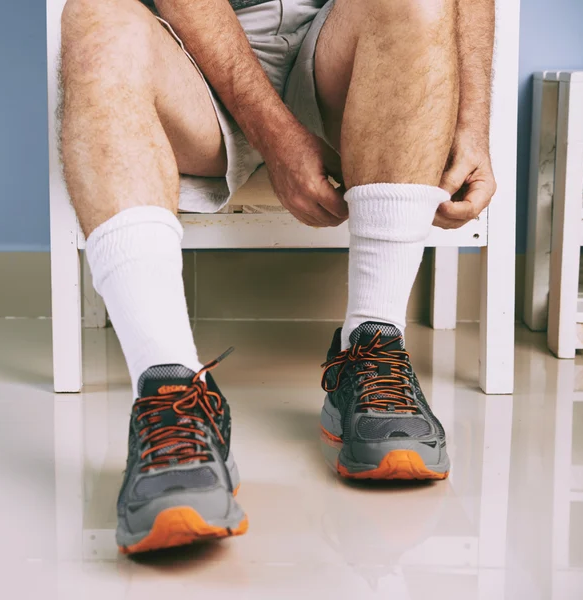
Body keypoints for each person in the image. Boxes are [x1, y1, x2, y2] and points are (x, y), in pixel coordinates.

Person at [58, 0, 495, 554]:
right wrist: (275, 135)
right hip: (195, 58)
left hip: (343, 47)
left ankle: (372, 346)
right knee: (97, 16)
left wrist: (472, 122)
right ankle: (171, 392)